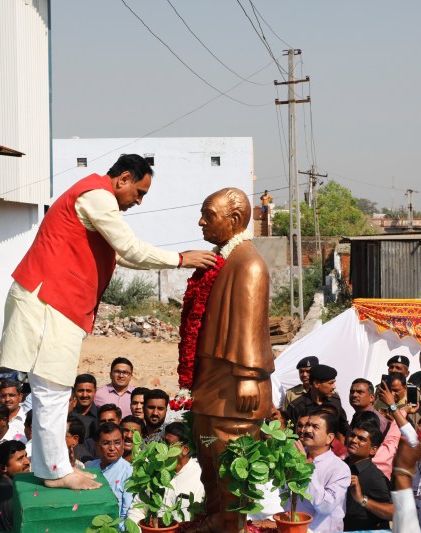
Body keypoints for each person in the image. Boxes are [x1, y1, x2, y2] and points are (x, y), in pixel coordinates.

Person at [0, 154, 216, 490]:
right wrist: (180, 259)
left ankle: (50, 468)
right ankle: (56, 471)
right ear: (123, 178)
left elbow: (119, 256)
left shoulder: (92, 198)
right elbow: (128, 249)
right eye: (139, 192)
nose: (138, 201)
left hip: (50, 300)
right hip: (50, 300)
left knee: (50, 390)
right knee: (53, 391)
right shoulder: (98, 195)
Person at [188, 188, 275, 533]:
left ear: (235, 220)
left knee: (230, 461)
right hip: (211, 384)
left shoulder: (248, 262)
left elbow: (251, 322)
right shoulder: (222, 258)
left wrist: (248, 374)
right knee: (208, 454)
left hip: (235, 386)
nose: (201, 222)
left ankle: (231, 523)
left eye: (208, 215)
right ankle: (214, 516)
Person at [127, 421, 204, 525]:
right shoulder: (153, 469)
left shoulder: (200, 477)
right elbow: (137, 509)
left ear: (185, 449)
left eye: (168, 444)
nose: (161, 448)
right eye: (162, 443)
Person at [294, 410, 350, 532]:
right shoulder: (294, 457)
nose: (307, 430)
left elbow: (325, 506)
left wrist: (305, 468)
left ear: (329, 438)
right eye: (307, 425)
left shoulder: (340, 469)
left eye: (315, 427)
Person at [343, 422, 393, 531]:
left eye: (361, 439)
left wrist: (362, 499)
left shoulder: (375, 477)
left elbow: (393, 513)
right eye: (352, 435)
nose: (354, 440)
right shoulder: (340, 467)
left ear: (373, 450)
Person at [85, 422, 134, 525]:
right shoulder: (90, 468)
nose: (112, 448)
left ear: (123, 443)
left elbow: (127, 512)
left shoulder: (129, 472)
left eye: (117, 442)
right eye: (106, 443)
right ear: (96, 446)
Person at [287, 365, 349, 440]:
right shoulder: (296, 406)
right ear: (316, 383)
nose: (334, 387)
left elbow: (343, 426)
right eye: (330, 383)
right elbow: (290, 435)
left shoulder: (335, 401)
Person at [71, 374, 99, 441]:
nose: (84, 395)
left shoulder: (101, 415)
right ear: (74, 391)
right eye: (80, 391)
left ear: (95, 392)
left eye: (88, 391)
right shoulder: (67, 414)